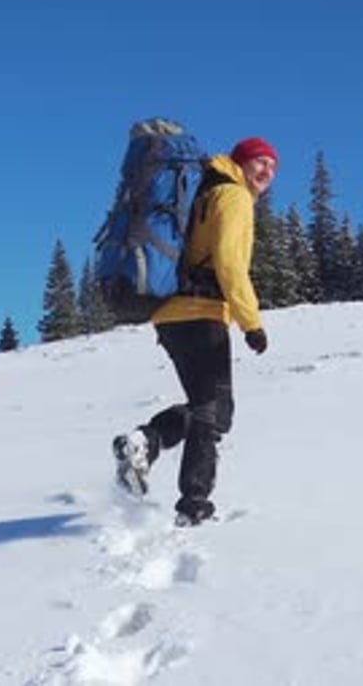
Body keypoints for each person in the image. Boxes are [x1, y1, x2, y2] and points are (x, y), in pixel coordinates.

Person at [113, 136, 279, 525]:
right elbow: (229, 263)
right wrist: (251, 323)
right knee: (212, 412)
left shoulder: (204, 191)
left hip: (171, 314)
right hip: (201, 313)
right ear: (241, 162)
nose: (267, 171)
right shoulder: (233, 196)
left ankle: (145, 444)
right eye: (260, 162)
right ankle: (193, 505)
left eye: (273, 166)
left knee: (211, 409)